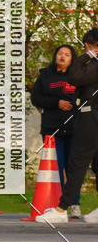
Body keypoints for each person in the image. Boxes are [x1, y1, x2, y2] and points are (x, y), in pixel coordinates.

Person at [38, 28, 98, 224]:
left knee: (77, 163)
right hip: (91, 116)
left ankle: (62, 208)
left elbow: (75, 77)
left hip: (90, 118)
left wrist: (84, 57)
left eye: (85, 46)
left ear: (89, 45)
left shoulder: (94, 65)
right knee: (96, 165)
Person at [30, 44, 80, 217]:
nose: (63, 56)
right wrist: (56, 103)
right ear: (55, 56)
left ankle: (74, 204)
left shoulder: (78, 76)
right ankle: (56, 205)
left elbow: (86, 98)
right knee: (55, 168)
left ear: (72, 58)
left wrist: (72, 105)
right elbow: (35, 98)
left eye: (67, 54)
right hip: (52, 129)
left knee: (73, 168)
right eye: (60, 53)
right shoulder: (45, 76)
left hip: (75, 128)